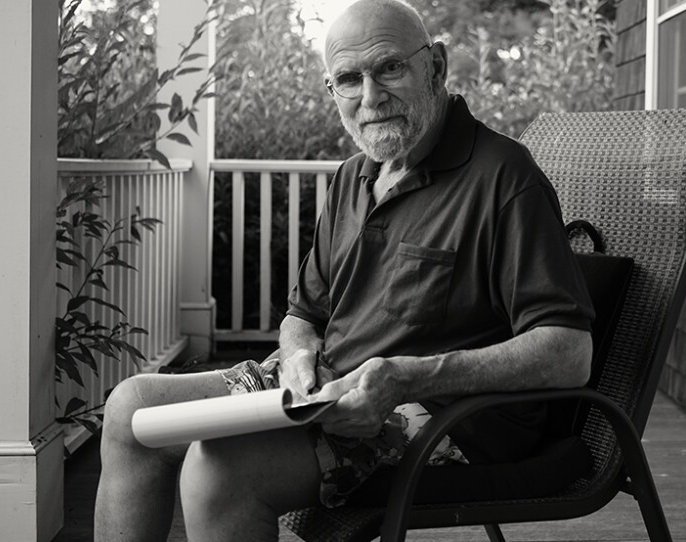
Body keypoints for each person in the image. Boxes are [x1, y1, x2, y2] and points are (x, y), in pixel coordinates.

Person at [94, 0, 595, 540]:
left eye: (390, 68)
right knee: (130, 412)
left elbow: (570, 353)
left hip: (444, 415)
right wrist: (298, 358)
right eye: (350, 79)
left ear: (436, 66)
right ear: (333, 89)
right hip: (323, 392)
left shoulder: (504, 177)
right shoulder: (353, 176)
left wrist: (406, 376)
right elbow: (302, 315)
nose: (371, 97)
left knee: (220, 469)